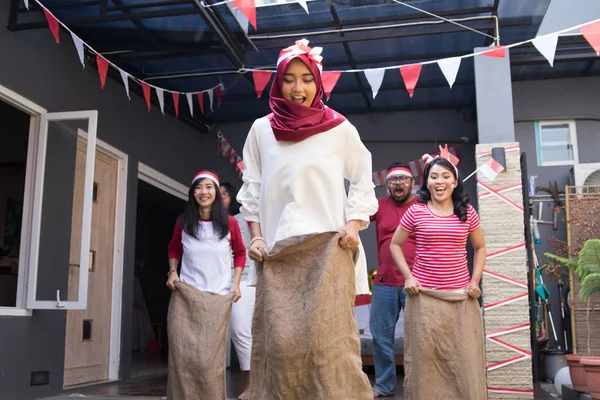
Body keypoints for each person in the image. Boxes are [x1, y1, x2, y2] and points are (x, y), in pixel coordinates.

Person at [237, 38, 379, 398]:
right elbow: (251, 187)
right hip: (278, 253)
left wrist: (353, 224)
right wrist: (255, 235)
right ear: (278, 82)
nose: (297, 88)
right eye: (289, 78)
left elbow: (363, 178)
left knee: (325, 347)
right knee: (281, 346)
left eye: (306, 78)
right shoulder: (261, 130)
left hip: (328, 251)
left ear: (318, 82)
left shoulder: (339, 128)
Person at [389, 154, 487, 400]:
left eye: (445, 176)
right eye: (433, 177)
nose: (439, 181)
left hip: (459, 299)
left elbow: (480, 248)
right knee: (424, 363)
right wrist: (408, 278)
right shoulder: (416, 212)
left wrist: (475, 282)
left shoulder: (467, 213)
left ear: (455, 182)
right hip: (424, 300)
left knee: (462, 361)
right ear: (427, 182)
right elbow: (395, 245)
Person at [166, 171, 246, 400]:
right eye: (199, 187)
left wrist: (236, 283)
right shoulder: (184, 222)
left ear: (216, 193)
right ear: (193, 193)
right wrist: (173, 272)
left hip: (217, 299)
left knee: (207, 362)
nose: (204, 192)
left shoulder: (229, 223)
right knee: (182, 357)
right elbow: (174, 248)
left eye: (209, 187)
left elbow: (240, 253)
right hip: (186, 296)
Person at [369, 162, 417, 398]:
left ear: (413, 183)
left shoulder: (422, 205)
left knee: (419, 337)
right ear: (387, 185)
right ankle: (384, 385)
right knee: (380, 337)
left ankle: (419, 384)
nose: (399, 183)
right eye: (393, 180)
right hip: (384, 283)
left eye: (404, 179)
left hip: (416, 284)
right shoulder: (378, 205)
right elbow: (355, 212)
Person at [220, 182, 255, 400]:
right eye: (219, 193)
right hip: (216, 281)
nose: (221, 197)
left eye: (225, 193)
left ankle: (250, 385)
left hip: (245, 279)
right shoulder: (208, 222)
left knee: (240, 330)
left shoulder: (244, 217)